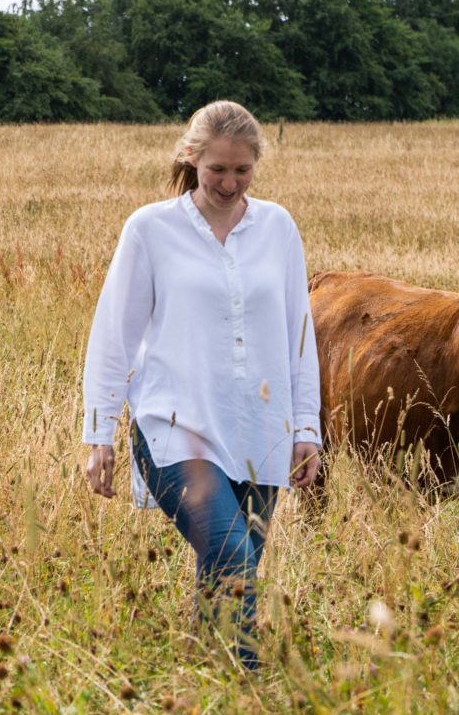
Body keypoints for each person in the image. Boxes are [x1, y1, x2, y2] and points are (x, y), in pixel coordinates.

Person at [80, 100, 321, 668]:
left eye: (242, 171)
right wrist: (100, 434)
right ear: (191, 159)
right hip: (174, 429)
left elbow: (299, 335)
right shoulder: (150, 229)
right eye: (217, 170)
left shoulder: (278, 228)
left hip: (261, 431)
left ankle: (202, 681)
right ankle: (249, 687)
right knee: (234, 559)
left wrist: (306, 426)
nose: (230, 183)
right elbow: (113, 334)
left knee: (225, 572)